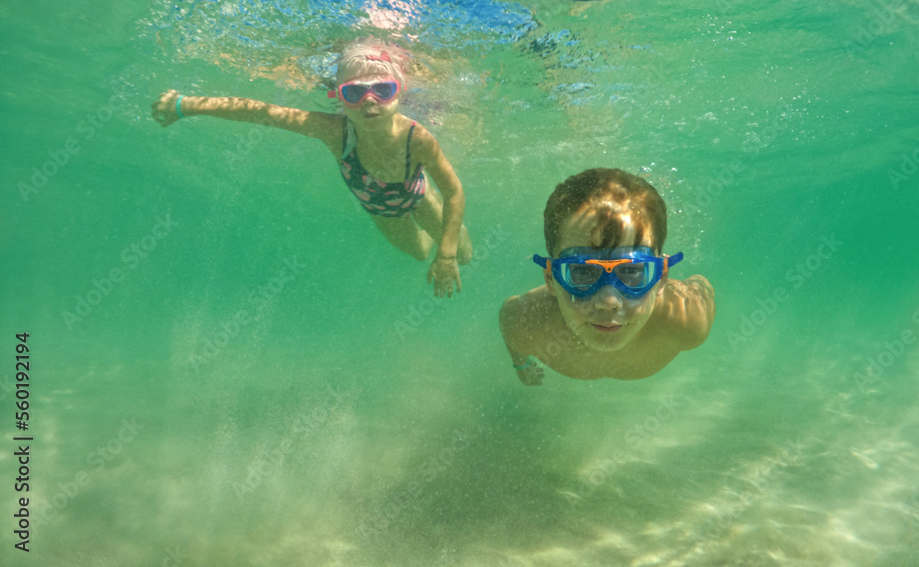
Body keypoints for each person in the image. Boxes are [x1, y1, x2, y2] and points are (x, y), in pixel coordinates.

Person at [151, 38, 473, 297]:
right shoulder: (336, 132)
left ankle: (425, 200)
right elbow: (262, 112)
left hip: (415, 194)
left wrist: (444, 255)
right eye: (355, 93)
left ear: (399, 94)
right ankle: (425, 225)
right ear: (340, 98)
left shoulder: (418, 139)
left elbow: (455, 192)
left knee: (463, 255)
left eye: (383, 90)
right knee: (418, 253)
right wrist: (185, 105)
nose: (370, 101)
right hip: (381, 210)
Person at [499, 168, 714, 384]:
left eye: (631, 270)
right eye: (582, 271)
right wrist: (521, 365)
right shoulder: (524, 322)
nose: (608, 302)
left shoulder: (687, 322)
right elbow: (510, 329)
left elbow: (702, 286)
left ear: (662, 277)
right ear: (550, 280)